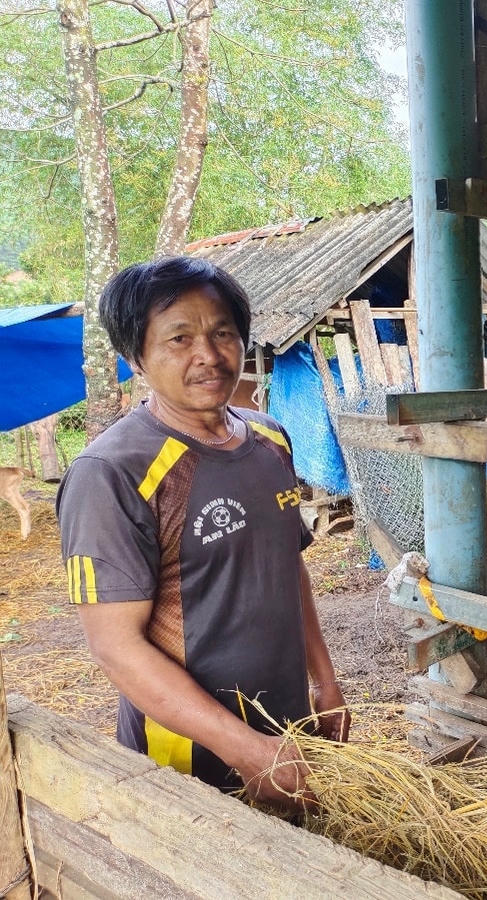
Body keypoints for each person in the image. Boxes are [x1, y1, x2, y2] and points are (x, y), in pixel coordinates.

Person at [55, 256, 348, 812]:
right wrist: (249, 752)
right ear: (134, 357)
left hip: (285, 728)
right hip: (188, 756)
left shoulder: (270, 440)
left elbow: (290, 568)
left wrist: (323, 683)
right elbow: (116, 647)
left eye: (223, 334)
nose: (208, 357)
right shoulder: (114, 472)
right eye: (179, 339)